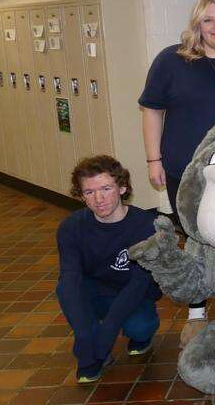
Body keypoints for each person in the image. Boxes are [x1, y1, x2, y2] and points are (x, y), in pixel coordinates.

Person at [139, 0, 215, 336]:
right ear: (197, 25)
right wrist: (153, 159)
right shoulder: (172, 61)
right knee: (194, 237)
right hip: (185, 170)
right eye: (208, 20)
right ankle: (196, 309)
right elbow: (152, 111)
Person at [56, 155, 162, 383]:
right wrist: (85, 338)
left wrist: (107, 335)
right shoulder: (71, 227)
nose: (99, 199)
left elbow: (139, 283)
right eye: (89, 192)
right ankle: (90, 342)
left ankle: (138, 336)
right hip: (94, 291)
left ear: (122, 188)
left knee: (140, 327)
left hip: (131, 291)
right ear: (81, 195)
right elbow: (69, 280)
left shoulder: (145, 225)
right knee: (67, 292)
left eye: (106, 188)